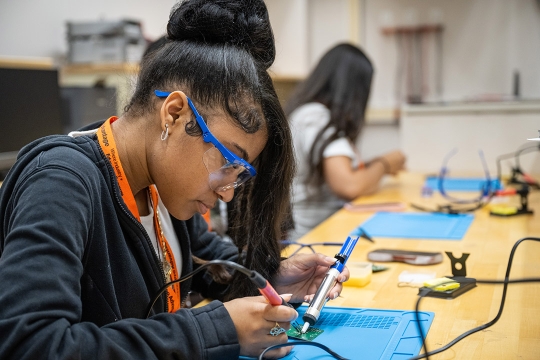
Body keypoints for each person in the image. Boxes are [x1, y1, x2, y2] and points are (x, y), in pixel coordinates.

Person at [0, 1, 349, 359]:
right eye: (229, 162)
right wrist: (215, 330)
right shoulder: (60, 182)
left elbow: (210, 265)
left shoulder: (159, 183)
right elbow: (30, 344)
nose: (228, 193)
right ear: (175, 114)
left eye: (240, 174)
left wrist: (272, 275)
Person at [285, 43, 406, 240]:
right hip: (308, 239)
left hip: (320, 231)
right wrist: (384, 164)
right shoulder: (315, 117)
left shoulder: (310, 114)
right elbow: (349, 185)